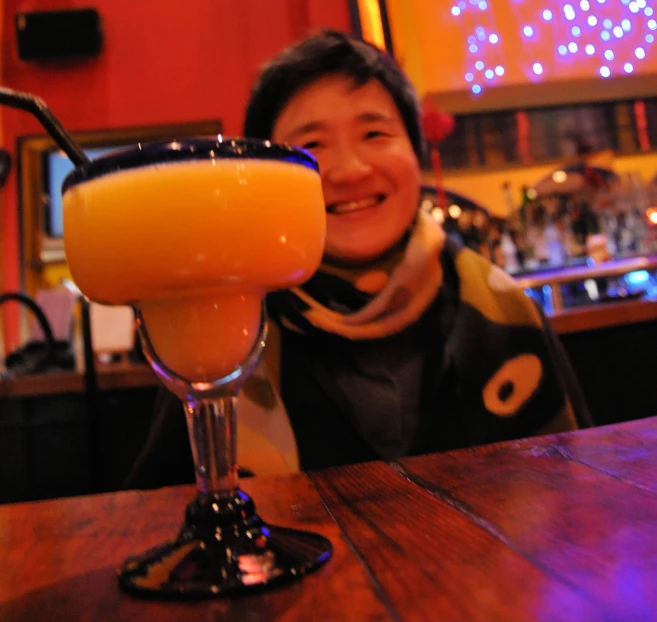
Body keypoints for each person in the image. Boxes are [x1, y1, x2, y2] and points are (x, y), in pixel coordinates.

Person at [123, 29, 590, 490]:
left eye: (374, 133)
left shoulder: (504, 310)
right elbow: (161, 514)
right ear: (266, 179)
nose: (349, 170)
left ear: (416, 151)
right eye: (312, 146)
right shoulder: (229, 331)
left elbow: (580, 492)